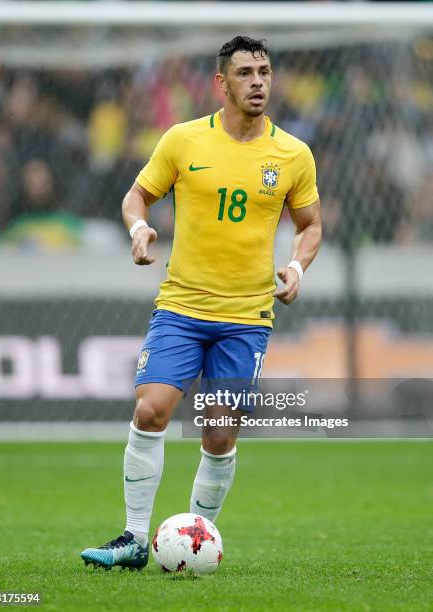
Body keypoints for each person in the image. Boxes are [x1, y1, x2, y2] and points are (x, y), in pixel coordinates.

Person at [81, 35, 322, 571]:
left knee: (217, 432)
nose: (257, 81)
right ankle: (134, 539)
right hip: (183, 307)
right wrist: (139, 226)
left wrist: (298, 265)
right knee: (151, 408)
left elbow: (311, 226)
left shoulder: (292, 154)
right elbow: (136, 195)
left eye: (264, 71)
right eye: (244, 73)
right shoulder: (183, 140)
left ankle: (194, 538)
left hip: (246, 318)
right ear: (221, 82)